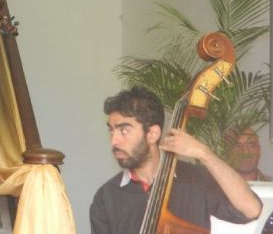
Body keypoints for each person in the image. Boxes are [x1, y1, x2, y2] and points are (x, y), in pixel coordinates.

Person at [90, 87, 262, 233]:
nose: (114, 141)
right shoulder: (106, 198)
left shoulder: (196, 179)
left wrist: (205, 154)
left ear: (153, 134)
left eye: (124, 131)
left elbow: (251, 209)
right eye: (111, 131)